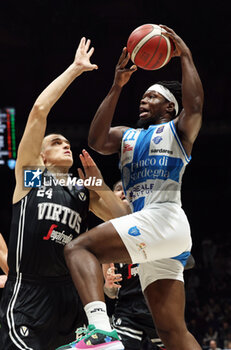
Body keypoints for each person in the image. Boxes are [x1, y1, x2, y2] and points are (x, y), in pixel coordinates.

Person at [60, 25, 204, 350]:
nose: (144, 99)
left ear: (169, 108)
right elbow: (96, 140)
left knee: (79, 248)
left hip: (163, 219)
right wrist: (117, 85)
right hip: (159, 235)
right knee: (172, 333)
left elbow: (194, 107)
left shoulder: (177, 131)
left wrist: (186, 55)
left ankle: (100, 331)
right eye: (143, 95)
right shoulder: (127, 135)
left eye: (152, 96)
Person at [0, 38, 128, 350]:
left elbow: (124, 220)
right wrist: (74, 69)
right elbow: (39, 111)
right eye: (56, 142)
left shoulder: (83, 189)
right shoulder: (30, 176)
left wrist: (99, 183)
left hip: (70, 296)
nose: (66, 144)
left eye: (67, 142)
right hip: (28, 292)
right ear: (41, 156)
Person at [103, 181, 195, 350]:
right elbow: (111, 293)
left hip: (158, 303)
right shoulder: (106, 236)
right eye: (117, 189)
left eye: (126, 189)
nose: (123, 191)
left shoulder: (154, 225)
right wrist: (109, 286)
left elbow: (189, 262)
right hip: (127, 309)